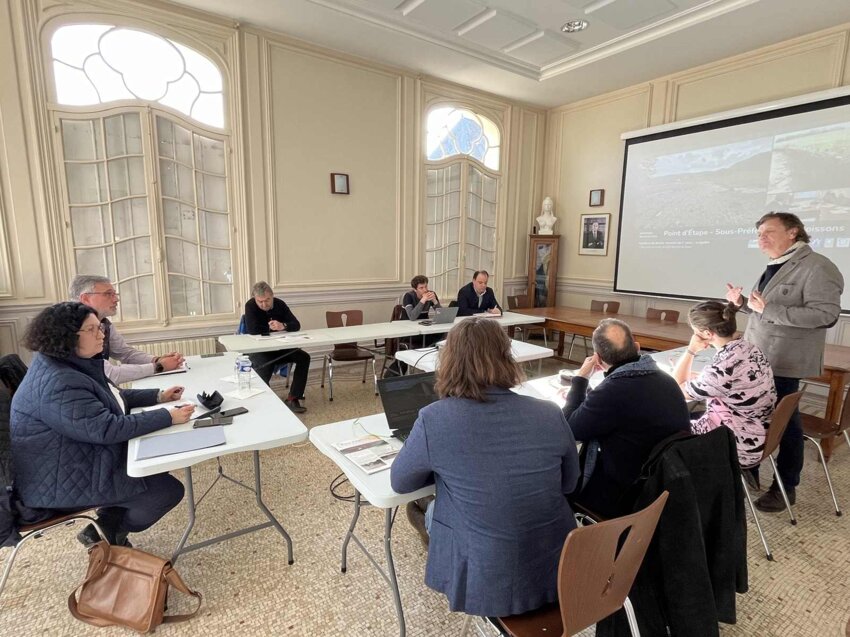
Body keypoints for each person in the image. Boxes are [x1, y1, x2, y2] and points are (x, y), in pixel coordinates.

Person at [391, 318, 580, 618]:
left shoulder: (434, 418)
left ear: (449, 361)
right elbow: (569, 484)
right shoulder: (549, 412)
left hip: (490, 582)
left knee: (417, 505)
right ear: (507, 358)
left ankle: (449, 567)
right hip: (556, 567)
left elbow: (400, 483)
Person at [10, 302, 193, 547]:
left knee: (153, 463)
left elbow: (109, 400)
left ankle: (105, 526)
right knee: (166, 491)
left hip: (71, 457)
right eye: (92, 330)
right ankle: (109, 533)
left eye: (101, 328)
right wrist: (167, 416)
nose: (102, 335)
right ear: (66, 336)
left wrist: (159, 396)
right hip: (59, 477)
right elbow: (106, 428)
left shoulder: (68, 364)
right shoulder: (59, 381)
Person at [726, 212, 843, 512]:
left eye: (768, 231)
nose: (761, 238)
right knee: (751, 415)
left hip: (784, 361)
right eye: (759, 233)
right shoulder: (775, 265)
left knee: (785, 423)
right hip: (758, 357)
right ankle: (749, 469)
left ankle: (786, 486)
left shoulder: (818, 267)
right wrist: (742, 304)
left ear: (793, 233)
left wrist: (770, 309)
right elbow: (762, 311)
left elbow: (826, 315)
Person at [562, 318, 690, 519]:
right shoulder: (667, 380)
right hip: (667, 483)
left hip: (627, 494)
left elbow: (569, 430)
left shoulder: (612, 391)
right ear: (637, 347)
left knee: (560, 483)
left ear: (597, 358)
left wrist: (580, 380)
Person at [671, 301, 776, 473]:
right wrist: (699, 379)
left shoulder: (724, 366)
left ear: (707, 333)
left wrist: (691, 350)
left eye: (695, 332)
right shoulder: (749, 348)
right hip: (756, 431)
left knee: (663, 430)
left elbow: (675, 390)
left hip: (736, 443)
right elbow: (726, 383)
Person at [70, 275, 185, 384]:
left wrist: (156, 360)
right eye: (108, 294)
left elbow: (125, 353)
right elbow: (109, 374)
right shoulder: (70, 329)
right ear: (85, 298)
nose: (116, 299)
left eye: (115, 294)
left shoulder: (104, 323)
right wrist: (159, 366)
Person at [243, 281, 310, 414]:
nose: (264, 304)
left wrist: (283, 326)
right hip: (261, 349)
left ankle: (293, 398)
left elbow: (296, 324)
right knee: (263, 363)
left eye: (267, 300)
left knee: (304, 357)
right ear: (255, 299)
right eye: (260, 301)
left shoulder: (280, 304)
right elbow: (252, 329)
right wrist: (271, 328)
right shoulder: (250, 305)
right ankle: (265, 401)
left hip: (281, 348)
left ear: (272, 296)